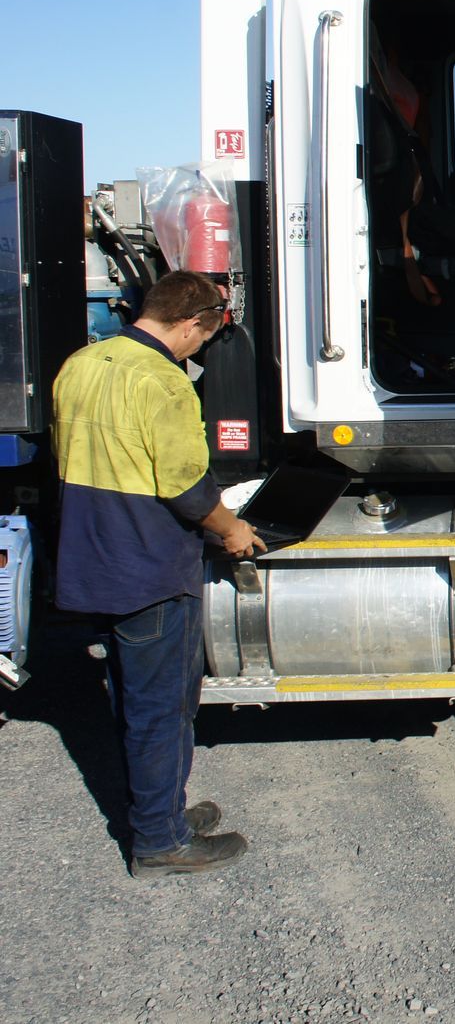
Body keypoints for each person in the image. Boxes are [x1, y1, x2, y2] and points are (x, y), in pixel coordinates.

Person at [51, 269, 265, 876]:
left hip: (94, 557)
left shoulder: (83, 364)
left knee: (133, 698)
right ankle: (159, 843)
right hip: (148, 564)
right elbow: (185, 487)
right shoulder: (163, 382)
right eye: (206, 334)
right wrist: (233, 531)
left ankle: (162, 813)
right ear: (194, 321)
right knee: (162, 708)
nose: (203, 347)